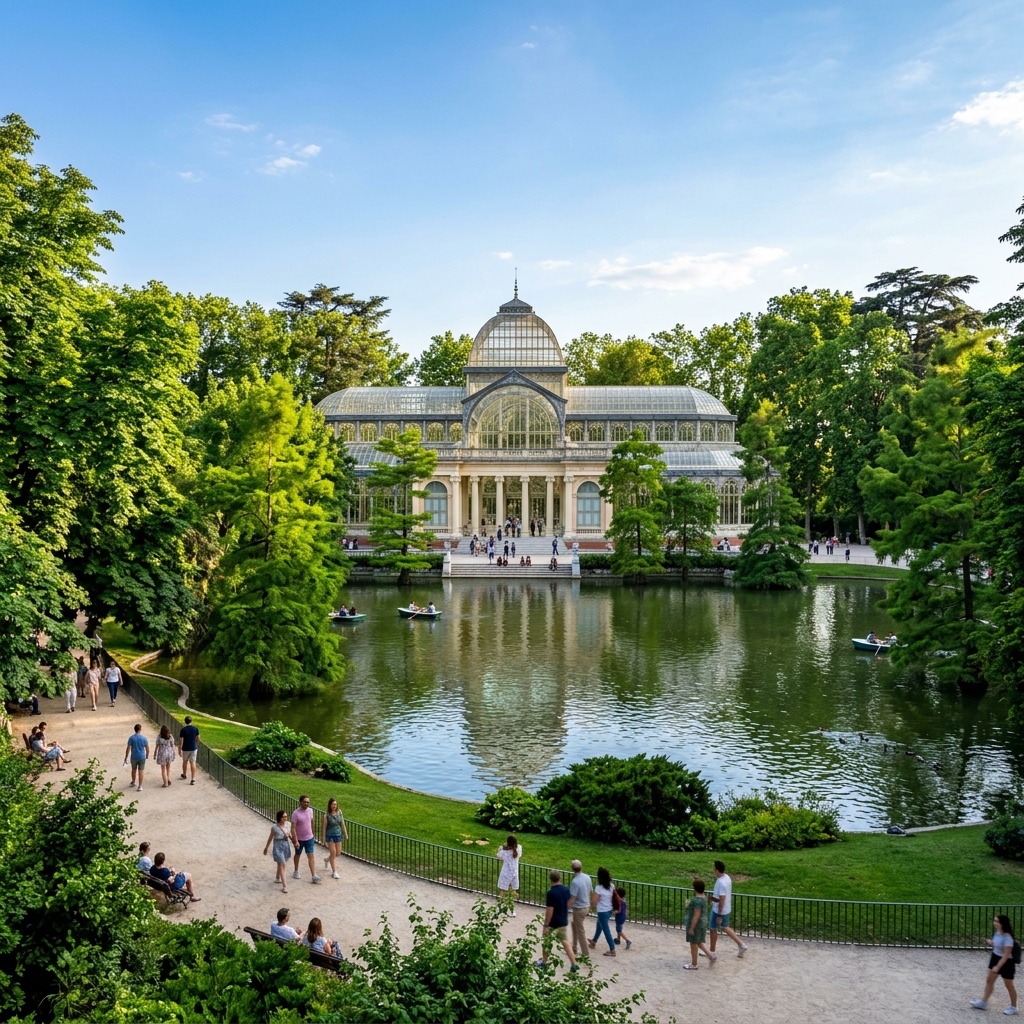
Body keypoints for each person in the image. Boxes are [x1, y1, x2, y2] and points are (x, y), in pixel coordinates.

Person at [971, 914, 1020, 1013]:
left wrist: (998, 966)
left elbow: (1006, 955)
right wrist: (991, 942)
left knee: (1009, 984)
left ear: (1003, 923)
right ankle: (983, 1002)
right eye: (995, 921)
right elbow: (997, 943)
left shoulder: (1008, 938)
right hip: (995, 957)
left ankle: (1014, 1007)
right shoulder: (998, 932)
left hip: (1006, 962)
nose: (995, 923)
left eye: (997, 921)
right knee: (989, 980)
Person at [534, 869, 579, 972]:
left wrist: (546, 925)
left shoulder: (551, 893)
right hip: (562, 919)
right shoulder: (566, 890)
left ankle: (544, 962)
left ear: (550, 879)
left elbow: (550, 910)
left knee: (546, 943)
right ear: (560, 878)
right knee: (566, 942)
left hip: (553, 922)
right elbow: (568, 902)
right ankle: (573, 964)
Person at [709, 860, 748, 958]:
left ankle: (712, 952)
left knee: (713, 929)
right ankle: (741, 944)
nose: (713, 870)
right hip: (726, 908)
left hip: (718, 910)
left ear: (717, 870)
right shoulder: (727, 878)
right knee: (725, 927)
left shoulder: (721, 882)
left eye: (714, 868)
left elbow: (722, 898)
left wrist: (719, 914)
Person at [291, 794, 321, 883]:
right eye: (304, 802)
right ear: (300, 802)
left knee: (311, 855)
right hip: (299, 839)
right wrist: (295, 840)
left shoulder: (310, 811)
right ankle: (296, 870)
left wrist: (312, 833)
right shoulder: (296, 813)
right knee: (297, 854)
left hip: (309, 838)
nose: (306, 804)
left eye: (308, 802)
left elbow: (312, 822)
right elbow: (293, 827)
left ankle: (314, 875)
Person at [682, 878, 711, 969]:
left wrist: (691, 928)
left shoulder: (696, 900)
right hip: (702, 923)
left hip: (696, 924)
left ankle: (694, 964)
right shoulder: (704, 898)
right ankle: (711, 956)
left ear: (694, 888)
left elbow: (696, 915)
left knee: (693, 943)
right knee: (699, 942)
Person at [588, 866, 617, 956]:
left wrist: (592, 900)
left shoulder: (599, 888)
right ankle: (594, 941)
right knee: (599, 925)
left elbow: (594, 903)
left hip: (602, 911)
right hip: (609, 910)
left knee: (606, 930)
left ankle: (612, 949)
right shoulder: (611, 886)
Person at [264, 810, 293, 892]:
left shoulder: (288, 824)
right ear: (279, 818)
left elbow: (289, 835)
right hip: (278, 846)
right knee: (282, 864)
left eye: (286, 816)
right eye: (284, 817)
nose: (285, 818)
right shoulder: (274, 827)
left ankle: (277, 878)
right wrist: (266, 848)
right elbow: (270, 838)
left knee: (281, 863)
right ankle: (284, 886)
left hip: (285, 845)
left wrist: (295, 842)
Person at [569, 859, 592, 958]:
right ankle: (574, 947)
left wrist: (565, 907)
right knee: (574, 925)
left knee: (580, 930)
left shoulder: (575, 882)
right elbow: (591, 891)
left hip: (579, 909)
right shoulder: (587, 877)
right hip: (586, 906)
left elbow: (573, 898)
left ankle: (585, 953)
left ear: (572, 869)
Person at [321, 797, 348, 879]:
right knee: (333, 853)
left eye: (335, 804)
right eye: (333, 804)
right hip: (330, 835)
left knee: (338, 853)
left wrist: (345, 834)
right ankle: (334, 872)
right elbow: (324, 828)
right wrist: (323, 839)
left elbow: (342, 823)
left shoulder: (339, 812)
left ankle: (327, 859)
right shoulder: (326, 815)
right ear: (330, 805)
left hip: (338, 834)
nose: (334, 806)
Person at [496, 834, 521, 911]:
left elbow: (498, 856)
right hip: (514, 872)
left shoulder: (504, 852)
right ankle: (513, 904)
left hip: (506, 873)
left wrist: (500, 849)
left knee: (503, 890)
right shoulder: (519, 849)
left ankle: (498, 906)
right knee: (513, 889)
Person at [124, 723, 149, 791]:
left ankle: (133, 781)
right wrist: (147, 754)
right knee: (141, 771)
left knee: (133, 770)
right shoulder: (144, 738)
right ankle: (140, 786)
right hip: (142, 756)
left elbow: (128, 748)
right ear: (140, 730)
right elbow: (147, 747)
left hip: (134, 756)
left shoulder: (131, 738)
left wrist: (126, 757)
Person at [178, 715, 200, 783]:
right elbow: (198, 738)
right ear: (191, 721)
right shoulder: (195, 729)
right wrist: (195, 742)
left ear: (185, 722)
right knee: (193, 762)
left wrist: (180, 749)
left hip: (185, 748)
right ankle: (193, 779)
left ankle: (184, 774)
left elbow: (181, 740)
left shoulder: (183, 730)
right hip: (193, 748)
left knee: (185, 761)